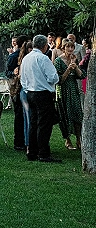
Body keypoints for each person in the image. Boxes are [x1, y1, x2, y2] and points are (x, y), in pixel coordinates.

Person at [19, 34, 60, 163]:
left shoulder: (26, 58)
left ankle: (32, 151)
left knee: (33, 122)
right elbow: (53, 77)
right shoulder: (43, 58)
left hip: (30, 92)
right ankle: (43, 152)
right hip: (42, 93)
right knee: (44, 124)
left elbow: (23, 78)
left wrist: (27, 89)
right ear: (44, 45)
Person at [53, 39, 84, 151]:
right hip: (63, 90)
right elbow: (59, 80)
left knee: (77, 113)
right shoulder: (58, 61)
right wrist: (68, 69)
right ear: (63, 48)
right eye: (68, 47)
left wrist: (75, 66)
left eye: (72, 47)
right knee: (64, 114)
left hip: (73, 89)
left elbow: (81, 75)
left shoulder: (74, 59)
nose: (70, 49)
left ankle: (79, 139)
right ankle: (67, 140)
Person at [6, 35, 26, 151]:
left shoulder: (25, 56)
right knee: (19, 115)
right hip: (17, 88)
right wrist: (14, 73)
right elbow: (7, 72)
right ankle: (18, 141)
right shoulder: (14, 56)